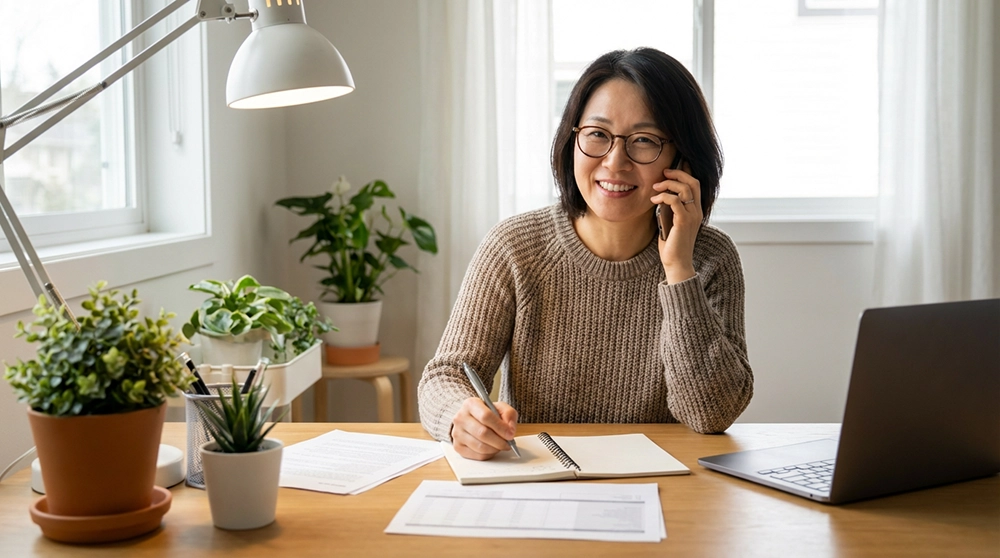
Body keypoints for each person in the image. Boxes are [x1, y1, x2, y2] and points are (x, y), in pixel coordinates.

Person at [418, 47, 753, 460]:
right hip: (543, 477)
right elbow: (446, 376)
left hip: (666, 483)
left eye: (644, 141)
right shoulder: (515, 247)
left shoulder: (711, 258)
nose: (615, 162)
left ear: (682, 158)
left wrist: (679, 269)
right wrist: (461, 419)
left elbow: (711, 413)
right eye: (597, 134)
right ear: (571, 140)